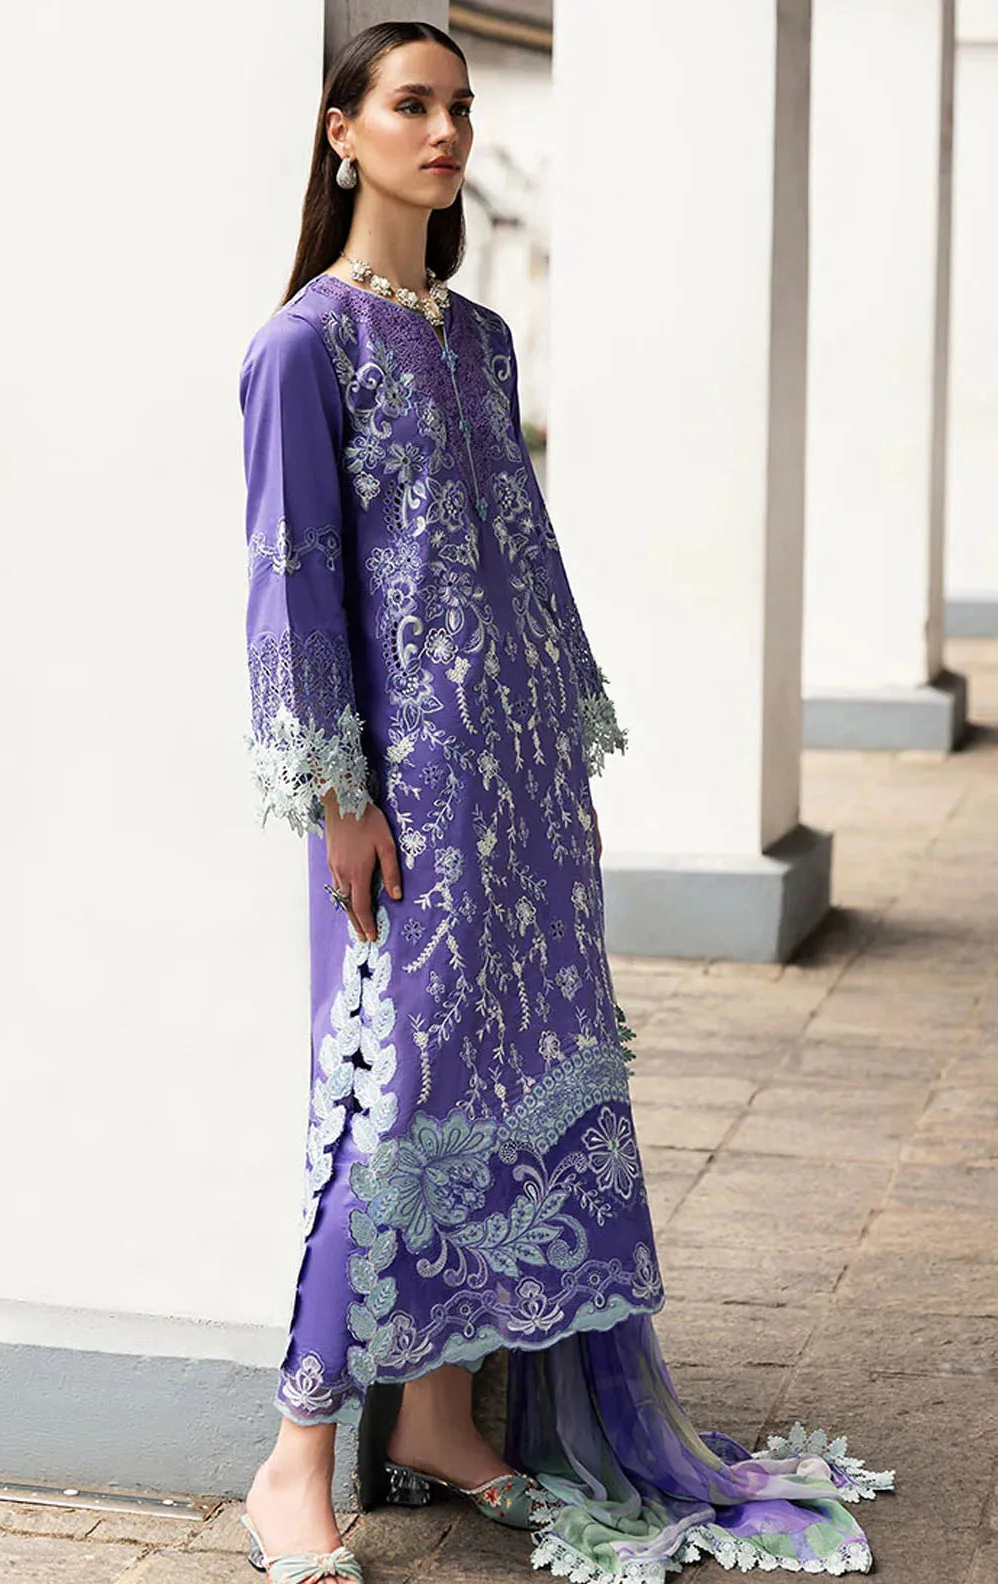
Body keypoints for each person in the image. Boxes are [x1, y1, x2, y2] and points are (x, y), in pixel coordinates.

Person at [236, 20, 895, 1584]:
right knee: (386, 1110)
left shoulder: (477, 342)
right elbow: (291, 583)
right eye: (411, 105)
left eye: (459, 107)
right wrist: (338, 796)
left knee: (517, 1089)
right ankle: (294, 1458)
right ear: (341, 132)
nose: (444, 131)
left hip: (521, 789)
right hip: (404, 804)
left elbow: (520, 568)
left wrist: (562, 768)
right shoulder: (302, 348)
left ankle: (439, 1420)